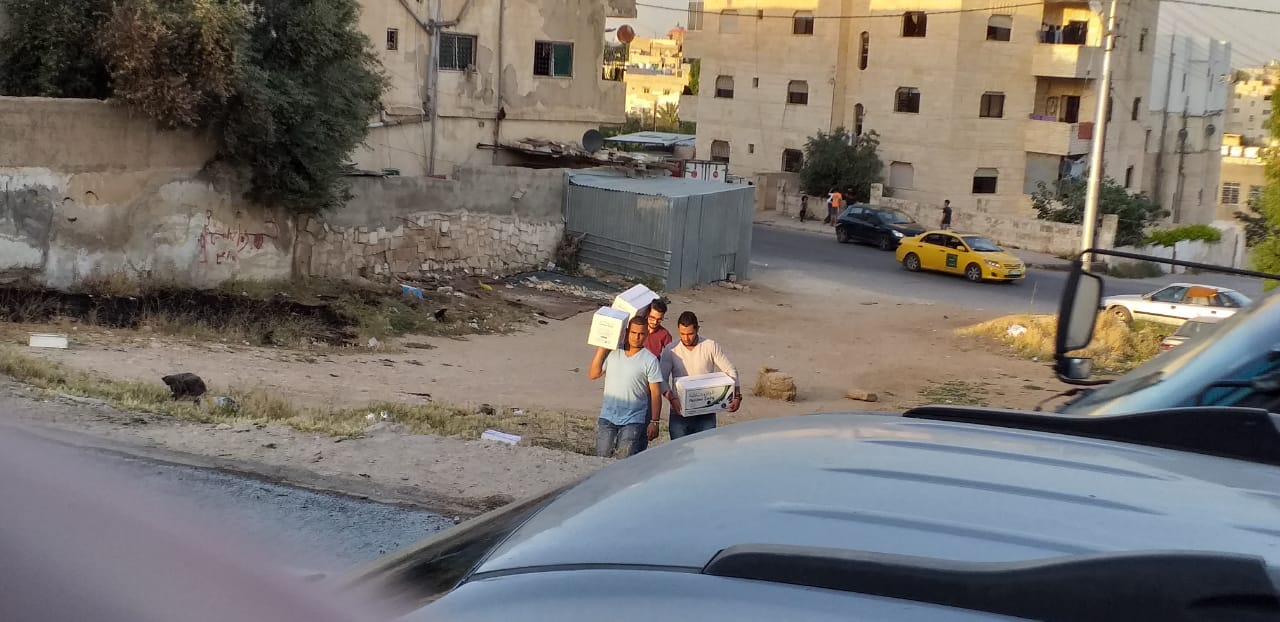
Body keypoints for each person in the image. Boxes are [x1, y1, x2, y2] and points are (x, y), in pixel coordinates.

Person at [588, 316, 663, 458]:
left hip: (633, 419)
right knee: (601, 457)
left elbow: (655, 393)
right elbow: (593, 374)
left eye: (641, 334)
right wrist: (602, 347)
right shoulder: (613, 351)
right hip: (608, 415)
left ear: (646, 334)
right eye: (633, 333)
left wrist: (654, 421)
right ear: (627, 331)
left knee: (623, 458)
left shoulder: (650, 360)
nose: (637, 337)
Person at [659, 311, 741, 440]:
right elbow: (662, 379)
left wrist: (737, 396)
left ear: (697, 329)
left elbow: (730, 370)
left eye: (690, 334)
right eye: (682, 334)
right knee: (680, 449)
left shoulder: (710, 346)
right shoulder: (671, 350)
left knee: (705, 448)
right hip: (679, 412)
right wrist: (672, 399)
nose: (686, 338)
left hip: (706, 412)